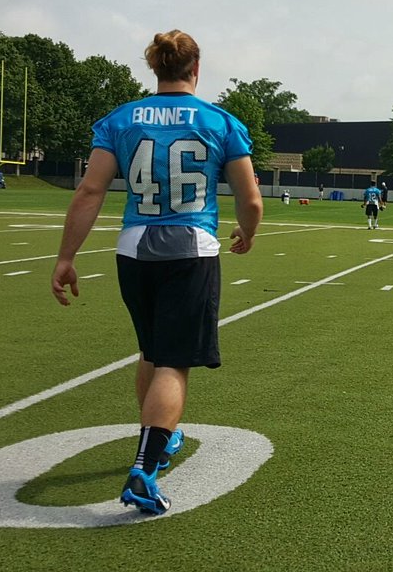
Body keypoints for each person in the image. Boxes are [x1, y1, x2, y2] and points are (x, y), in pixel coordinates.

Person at [50, 30, 262, 517]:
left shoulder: (121, 120)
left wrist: (66, 256)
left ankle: (158, 442)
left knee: (151, 349)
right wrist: (247, 232)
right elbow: (249, 199)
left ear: (156, 68)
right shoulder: (220, 121)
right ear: (196, 68)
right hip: (190, 248)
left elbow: (89, 192)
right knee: (174, 361)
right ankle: (144, 469)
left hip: (134, 248)